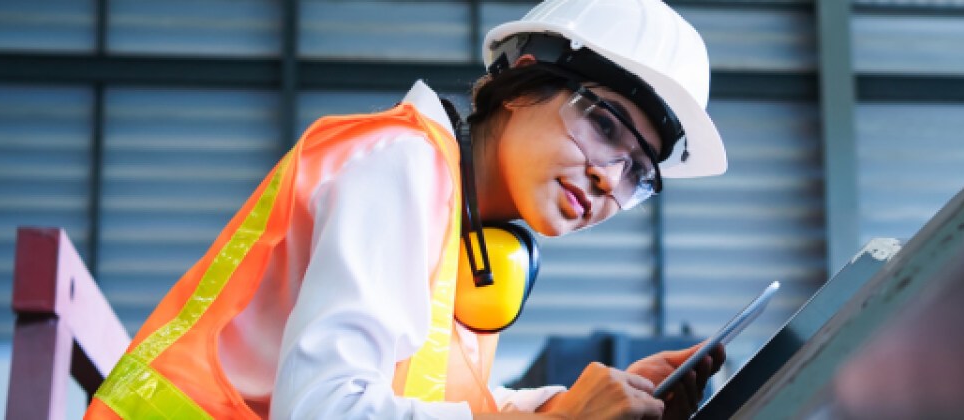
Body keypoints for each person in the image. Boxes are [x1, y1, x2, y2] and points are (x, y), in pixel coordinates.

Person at [83, 0, 730, 418]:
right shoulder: (403, 164)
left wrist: (568, 407)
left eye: (639, 173)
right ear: (522, 82)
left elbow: (427, 402)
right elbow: (321, 409)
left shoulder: (468, 236)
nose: (606, 178)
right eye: (607, 125)